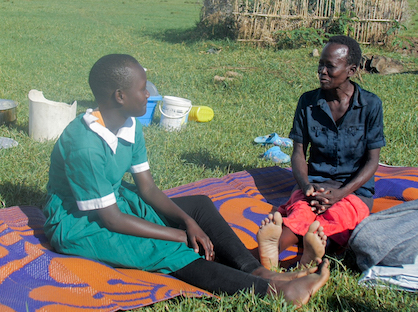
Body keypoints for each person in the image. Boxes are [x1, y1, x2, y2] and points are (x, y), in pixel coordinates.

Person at [43, 54, 330, 307]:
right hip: (78, 222)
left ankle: (257, 270)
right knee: (169, 248)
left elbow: (148, 188)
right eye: (143, 89)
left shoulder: (129, 125)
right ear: (120, 96)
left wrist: (189, 222)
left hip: (114, 200)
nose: (147, 95)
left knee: (199, 206)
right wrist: (179, 234)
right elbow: (112, 221)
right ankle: (275, 290)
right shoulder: (86, 145)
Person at [257, 35, 386, 270]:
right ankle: (270, 251)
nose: (322, 72)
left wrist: (340, 193)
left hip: (354, 191)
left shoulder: (370, 105)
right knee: (301, 211)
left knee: (339, 216)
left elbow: (372, 161)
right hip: (315, 184)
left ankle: (303, 255)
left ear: (351, 70)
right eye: (320, 65)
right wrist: (306, 186)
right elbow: (298, 152)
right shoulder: (307, 102)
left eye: (330, 66)